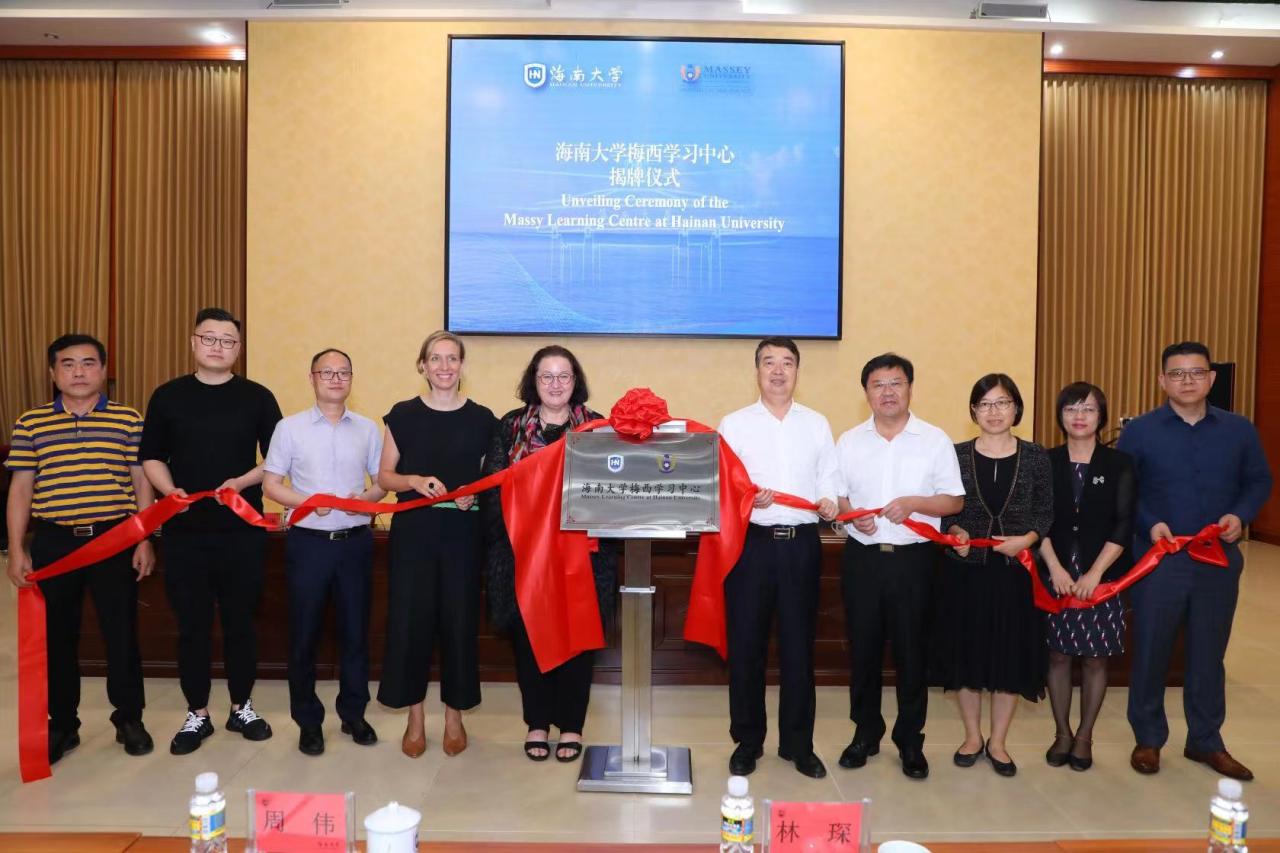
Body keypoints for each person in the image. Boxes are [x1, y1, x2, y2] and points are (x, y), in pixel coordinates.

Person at [1118, 341, 1271, 782]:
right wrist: (1149, 523)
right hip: (1160, 559)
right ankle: (1148, 738)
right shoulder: (1141, 432)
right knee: (1151, 649)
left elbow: (1259, 480)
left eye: (1196, 372)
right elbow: (1125, 490)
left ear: (1211, 378)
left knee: (1209, 651)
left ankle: (1206, 739)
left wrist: (1240, 515)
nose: (1187, 381)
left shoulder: (1239, 430)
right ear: (1162, 380)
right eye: (1177, 373)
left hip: (1217, 559)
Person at [5, 334, 156, 763]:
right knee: (56, 636)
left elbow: (141, 480)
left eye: (89, 363)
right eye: (68, 364)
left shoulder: (128, 419)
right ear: (53, 373)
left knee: (121, 633)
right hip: (55, 541)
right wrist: (16, 548)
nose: (78, 372)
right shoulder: (31, 423)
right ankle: (63, 725)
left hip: (114, 538)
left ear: (104, 371)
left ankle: (129, 719)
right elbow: (21, 488)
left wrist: (144, 536)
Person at [140, 307, 283, 755]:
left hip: (243, 531)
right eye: (209, 338)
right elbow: (151, 456)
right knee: (192, 625)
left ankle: (242, 706)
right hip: (185, 532)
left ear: (238, 348)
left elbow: (277, 460)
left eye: (227, 341)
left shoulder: (258, 397)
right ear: (193, 342)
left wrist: (240, 482)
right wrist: (170, 492)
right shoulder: (167, 396)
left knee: (242, 621)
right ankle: (196, 712)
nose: (218, 347)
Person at [482, 344, 616, 763]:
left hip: (584, 556)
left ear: (576, 381)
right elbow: (493, 488)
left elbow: (612, 490)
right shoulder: (510, 427)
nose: (555, 384)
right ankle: (537, 722)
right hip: (526, 555)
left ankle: (572, 724)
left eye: (563, 376)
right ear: (533, 381)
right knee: (529, 639)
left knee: (579, 638)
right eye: (546, 376)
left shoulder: (597, 427)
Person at [834, 353, 964, 780]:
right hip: (863, 559)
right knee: (864, 650)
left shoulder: (934, 439)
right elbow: (839, 497)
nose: (887, 392)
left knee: (912, 652)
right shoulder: (849, 441)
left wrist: (914, 503)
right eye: (878, 384)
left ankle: (910, 739)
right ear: (866, 393)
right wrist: (852, 515)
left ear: (910, 388)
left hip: (915, 560)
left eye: (895, 383)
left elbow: (953, 501)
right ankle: (865, 733)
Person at [717, 337, 838, 779]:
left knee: (798, 647)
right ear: (757, 371)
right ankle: (747, 742)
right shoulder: (734, 424)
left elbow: (828, 476)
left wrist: (828, 501)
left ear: (797, 372)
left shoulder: (816, 424)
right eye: (769, 362)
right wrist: (748, 498)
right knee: (746, 646)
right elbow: (723, 484)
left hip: (801, 544)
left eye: (787, 362)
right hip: (751, 545)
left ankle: (798, 745)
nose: (778, 371)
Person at [377, 331, 496, 758]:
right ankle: (414, 718)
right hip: (414, 533)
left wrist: (472, 493)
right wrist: (412, 480)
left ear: (462, 365)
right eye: (435, 358)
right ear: (422, 366)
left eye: (452, 359)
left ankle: (454, 716)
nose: (444, 366)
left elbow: (490, 479)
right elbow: (384, 477)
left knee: (459, 622)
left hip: (462, 534)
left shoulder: (483, 419)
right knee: (411, 623)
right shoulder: (402, 415)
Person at [263, 348, 386, 756]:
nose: (336, 379)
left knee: (356, 633)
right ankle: (308, 721)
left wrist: (363, 500)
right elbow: (271, 484)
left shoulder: (367, 428)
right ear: (312, 378)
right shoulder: (289, 428)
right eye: (327, 372)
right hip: (309, 545)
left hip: (355, 544)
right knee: (304, 635)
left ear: (351, 378)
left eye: (343, 372)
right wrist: (306, 501)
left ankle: (353, 714)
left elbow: (382, 482)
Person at [932, 373, 1052, 777]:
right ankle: (972, 736)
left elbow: (1044, 512)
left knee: (1007, 657)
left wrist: (1026, 540)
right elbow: (945, 510)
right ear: (973, 411)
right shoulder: (955, 455)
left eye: (1002, 403)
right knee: (967, 656)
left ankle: (998, 742)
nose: (994, 411)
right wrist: (955, 532)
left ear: (1016, 408)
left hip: (1016, 574)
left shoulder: (1035, 456)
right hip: (967, 573)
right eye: (985, 404)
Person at [1040, 382, 1134, 772]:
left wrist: (1096, 573)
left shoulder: (1120, 464)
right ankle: (1062, 733)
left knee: (1096, 659)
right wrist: (1055, 568)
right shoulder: (1045, 461)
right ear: (1060, 415)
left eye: (1088, 409)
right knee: (1058, 654)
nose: (1079, 416)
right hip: (1057, 572)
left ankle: (1084, 737)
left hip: (1104, 577)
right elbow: (1037, 521)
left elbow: (1125, 523)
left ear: (1101, 416)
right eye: (1071, 409)